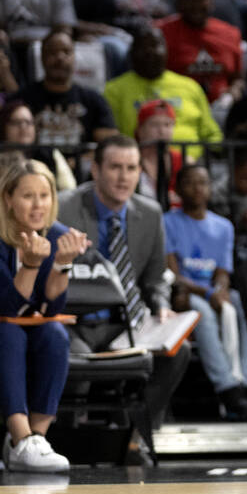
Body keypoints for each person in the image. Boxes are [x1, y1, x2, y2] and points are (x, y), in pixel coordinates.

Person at [58, 134, 192, 431]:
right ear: (95, 170)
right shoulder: (63, 208)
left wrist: (161, 306)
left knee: (179, 351)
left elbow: (155, 278)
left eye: (132, 168)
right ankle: (68, 436)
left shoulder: (150, 213)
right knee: (72, 360)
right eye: (115, 167)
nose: (124, 177)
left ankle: (136, 432)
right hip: (75, 322)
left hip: (128, 324)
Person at [0, 160, 90, 471]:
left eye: (44, 195)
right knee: (7, 333)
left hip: (23, 336)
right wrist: (32, 266)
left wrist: (62, 263)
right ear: (7, 198)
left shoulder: (56, 233)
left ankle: (35, 439)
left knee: (54, 334)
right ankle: (20, 438)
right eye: (28, 196)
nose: (38, 205)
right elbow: (9, 306)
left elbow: (52, 309)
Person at [165, 163, 247, 419]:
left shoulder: (223, 227)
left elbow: (222, 272)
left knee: (238, 303)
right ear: (178, 189)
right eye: (190, 183)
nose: (197, 188)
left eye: (203, 182)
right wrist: (209, 293)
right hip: (184, 295)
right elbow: (173, 273)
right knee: (203, 312)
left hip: (208, 291)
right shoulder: (168, 222)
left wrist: (220, 290)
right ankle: (227, 388)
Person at [104, 25, 223, 145]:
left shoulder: (190, 86)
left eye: (155, 45)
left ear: (167, 50)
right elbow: (110, 136)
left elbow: (212, 134)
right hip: (137, 161)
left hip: (190, 161)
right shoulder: (114, 90)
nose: (150, 52)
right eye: (143, 47)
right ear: (132, 52)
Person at [19, 30, 118, 146]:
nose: (60, 57)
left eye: (66, 52)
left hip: (81, 163)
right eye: (52, 52)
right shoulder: (22, 100)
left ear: (74, 57)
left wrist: (82, 160)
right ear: (42, 57)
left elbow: (109, 146)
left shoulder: (94, 101)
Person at [157, 0, 244, 105]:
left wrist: (232, 93)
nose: (196, 4)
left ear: (211, 2)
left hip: (221, 107)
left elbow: (238, 78)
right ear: (179, 2)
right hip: (178, 105)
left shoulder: (231, 34)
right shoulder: (162, 33)